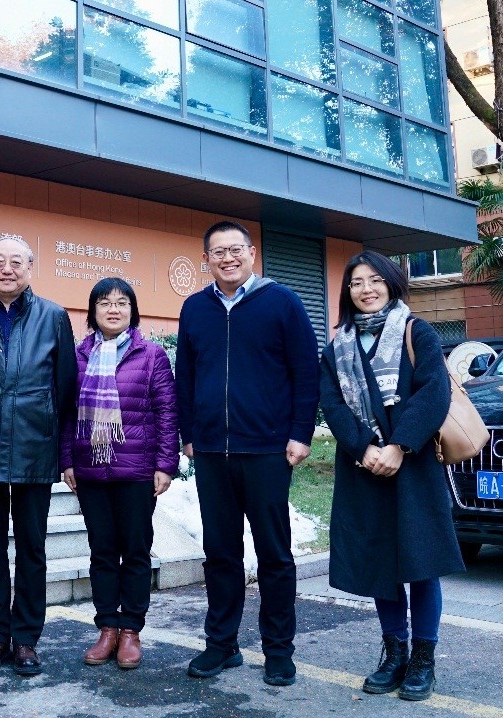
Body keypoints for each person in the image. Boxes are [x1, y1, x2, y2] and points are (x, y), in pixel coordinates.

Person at [175, 220, 319, 687]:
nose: (228, 258)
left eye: (235, 249)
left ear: (252, 253)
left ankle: (278, 650)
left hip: (267, 450)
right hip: (211, 451)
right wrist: (188, 433)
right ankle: (222, 644)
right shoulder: (195, 308)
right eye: (218, 252)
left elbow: (306, 371)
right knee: (220, 552)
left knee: (274, 554)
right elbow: (185, 376)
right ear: (206, 259)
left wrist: (300, 433)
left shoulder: (282, 301)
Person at [319, 251, 464, 701]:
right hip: (363, 468)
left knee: (421, 562)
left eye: (375, 280)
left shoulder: (416, 331)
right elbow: (332, 404)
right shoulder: (337, 346)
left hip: (412, 464)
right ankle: (394, 653)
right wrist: (364, 447)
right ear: (347, 292)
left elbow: (433, 393)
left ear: (391, 283)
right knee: (380, 562)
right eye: (356, 282)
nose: (366, 289)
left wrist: (399, 446)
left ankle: (423, 659)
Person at [0, 236, 77, 676]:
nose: (6, 269)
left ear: (30, 267)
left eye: (16, 262)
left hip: (34, 446)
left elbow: (66, 388)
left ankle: (25, 638)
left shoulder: (53, 316)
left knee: (31, 547)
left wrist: (59, 446)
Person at [60, 278, 178, 670]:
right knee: (102, 552)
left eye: (122, 302)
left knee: (136, 550)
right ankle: (107, 628)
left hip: (137, 471)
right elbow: (66, 413)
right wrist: (67, 460)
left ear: (133, 310)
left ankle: (131, 630)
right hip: (91, 470)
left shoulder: (151, 355)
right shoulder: (77, 356)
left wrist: (165, 464)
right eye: (105, 302)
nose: (114, 309)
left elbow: (166, 412)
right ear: (92, 311)